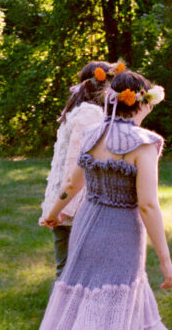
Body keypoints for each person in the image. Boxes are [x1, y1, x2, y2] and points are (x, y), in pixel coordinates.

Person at [6, 68, 172, 330]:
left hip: (88, 229)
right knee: (104, 317)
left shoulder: (94, 133)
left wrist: (53, 213)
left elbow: (73, 183)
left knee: (104, 308)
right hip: (120, 234)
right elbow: (149, 206)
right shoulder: (144, 143)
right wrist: (165, 260)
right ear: (140, 102)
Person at [40, 61, 115, 277]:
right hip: (74, 208)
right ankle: (63, 312)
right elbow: (75, 166)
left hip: (71, 204)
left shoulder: (80, 111)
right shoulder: (89, 114)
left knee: (73, 272)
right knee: (70, 274)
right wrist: (63, 210)